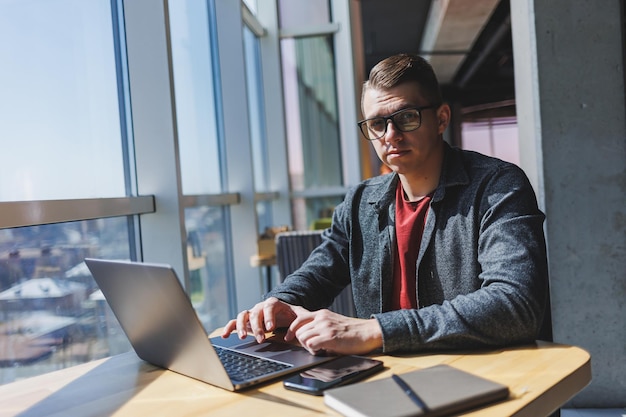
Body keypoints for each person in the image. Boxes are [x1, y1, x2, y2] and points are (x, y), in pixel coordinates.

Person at [222, 53, 549, 356]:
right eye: (377, 124)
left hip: (479, 374)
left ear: (441, 118)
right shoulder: (361, 202)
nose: (390, 135)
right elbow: (319, 272)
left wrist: (377, 329)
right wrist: (281, 302)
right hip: (386, 379)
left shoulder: (498, 186)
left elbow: (516, 304)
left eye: (406, 117)